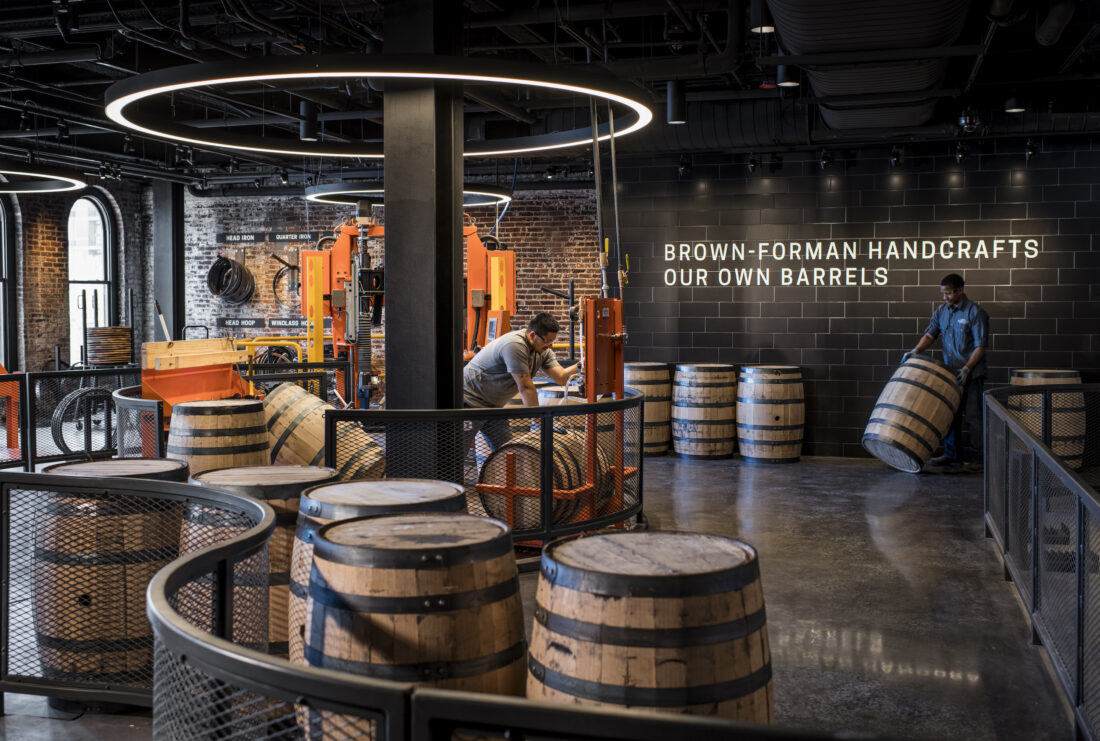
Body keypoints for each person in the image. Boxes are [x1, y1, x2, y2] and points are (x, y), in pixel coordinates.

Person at [904, 273, 989, 474]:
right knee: (951, 415)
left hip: (972, 374)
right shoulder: (942, 311)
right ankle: (952, 456)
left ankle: (979, 459)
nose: (945, 297)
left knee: (974, 418)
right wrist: (916, 350)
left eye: (949, 293)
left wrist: (967, 368)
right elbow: (930, 334)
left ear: (960, 290)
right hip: (950, 374)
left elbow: (980, 346)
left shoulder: (975, 312)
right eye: (943, 293)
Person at [463, 312, 581, 450]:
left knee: (508, 452)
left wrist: (581, 364)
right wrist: (540, 421)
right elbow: (525, 387)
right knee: (456, 455)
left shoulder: (543, 351)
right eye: (547, 341)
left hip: (493, 407)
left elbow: (561, 378)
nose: (550, 346)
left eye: (552, 341)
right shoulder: (515, 345)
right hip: (469, 404)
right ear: (532, 335)